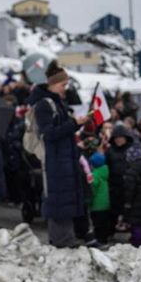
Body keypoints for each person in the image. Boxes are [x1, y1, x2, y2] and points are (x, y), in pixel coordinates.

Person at [28, 61, 90, 247]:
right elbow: (49, 133)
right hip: (56, 161)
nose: (66, 88)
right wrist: (73, 124)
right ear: (53, 84)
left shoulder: (57, 102)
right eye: (63, 85)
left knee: (64, 201)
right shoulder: (44, 105)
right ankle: (62, 242)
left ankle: (65, 239)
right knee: (58, 203)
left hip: (63, 159)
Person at [123, 145, 141, 247]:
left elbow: (129, 190)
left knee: (135, 224)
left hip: (135, 203)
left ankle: (137, 244)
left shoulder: (131, 172)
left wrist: (127, 203)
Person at [88, 152, 113, 245]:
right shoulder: (106, 171)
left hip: (96, 204)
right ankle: (104, 238)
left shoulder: (94, 175)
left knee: (98, 224)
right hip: (105, 203)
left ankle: (100, 240)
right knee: (104, 223)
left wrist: (89, 200)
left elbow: (92, 189)